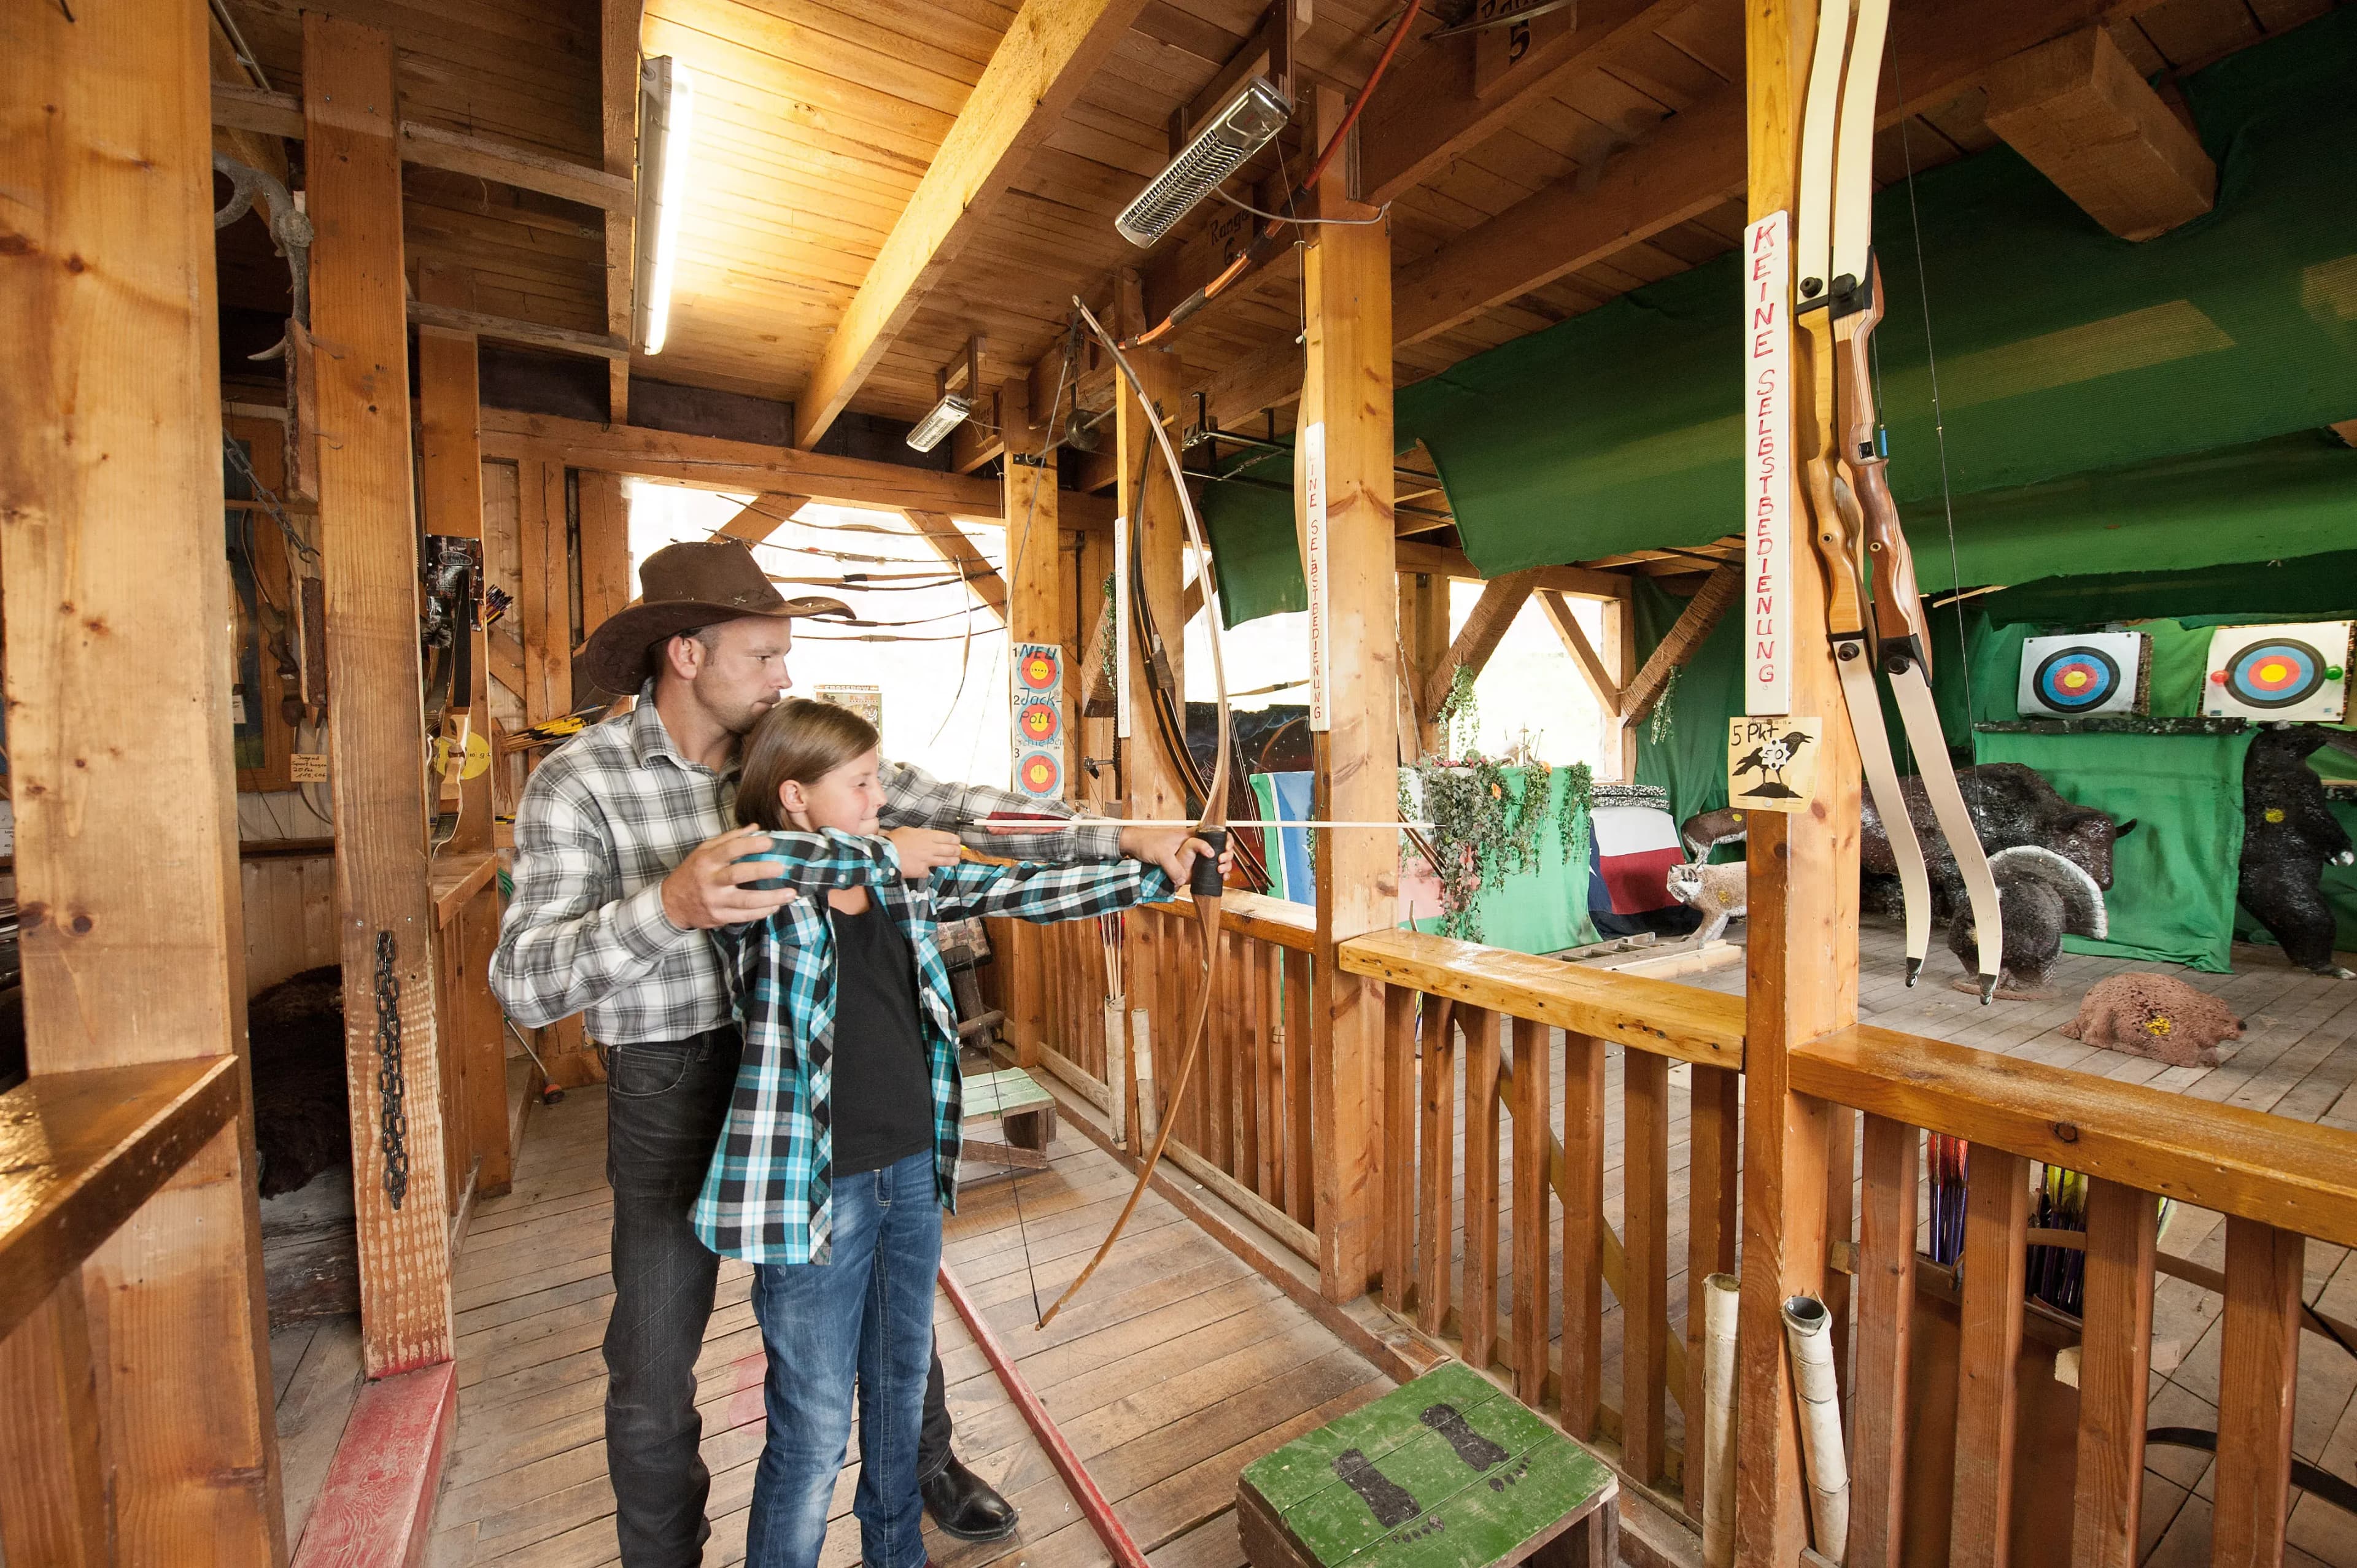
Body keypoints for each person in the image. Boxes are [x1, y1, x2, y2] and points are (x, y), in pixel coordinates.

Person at [489, 538, 1215, 1567]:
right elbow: (524, 980)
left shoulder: (792, 746)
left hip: (818, 1070)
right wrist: (669, 905)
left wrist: (1119, 838)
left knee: (887, 1292)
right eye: (764, 654)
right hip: (672, 1076)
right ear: (685, 654)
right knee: (652, 1363)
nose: (787, 676)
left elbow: (963, 815)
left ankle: (923, 1468)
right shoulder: (582, 781)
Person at [703, 698, 1185, 1568]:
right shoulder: (761, 896)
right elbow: (744, 862)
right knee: (810, 1432)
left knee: (896, 1392)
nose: (881, 796)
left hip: (909, 1173)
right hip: (814, 1191)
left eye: (878, 778)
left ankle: (898, 1556)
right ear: (796, 797)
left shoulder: (906, 883)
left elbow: (1026, 889)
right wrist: (880, 851)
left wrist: (1149, 865)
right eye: (860, 784)